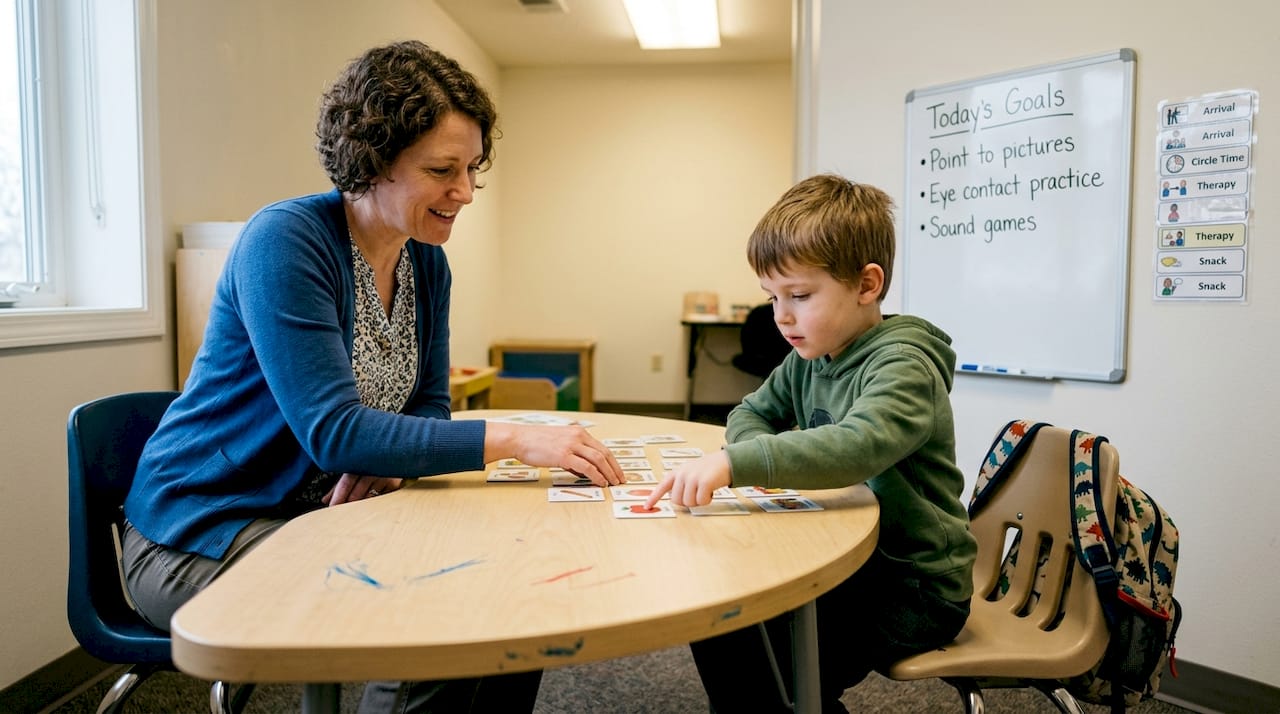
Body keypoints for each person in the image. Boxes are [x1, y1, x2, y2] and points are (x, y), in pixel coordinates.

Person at [121, 40, 624, 713]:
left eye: (473, 168)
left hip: (325, 517)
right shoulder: (286, 241)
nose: (465, 192)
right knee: (420, 604)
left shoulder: (426, 263)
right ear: (370, 162)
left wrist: (389, 460)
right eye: (442, 169)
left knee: (511, 590)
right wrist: (519, 439)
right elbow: (334, 432)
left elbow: (429, 407)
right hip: (201, 531)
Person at [645, 174, 977, 713]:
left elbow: (857, 446)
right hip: (852, 558)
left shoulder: (904, 364)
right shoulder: (811, 355)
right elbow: (752, 411)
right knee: (726, 620)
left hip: (913, 584)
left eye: (799, 295)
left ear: (867, 286)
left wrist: (739, 462)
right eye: (772, 296)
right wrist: (750, 453)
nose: (781, 315)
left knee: (769, 667)